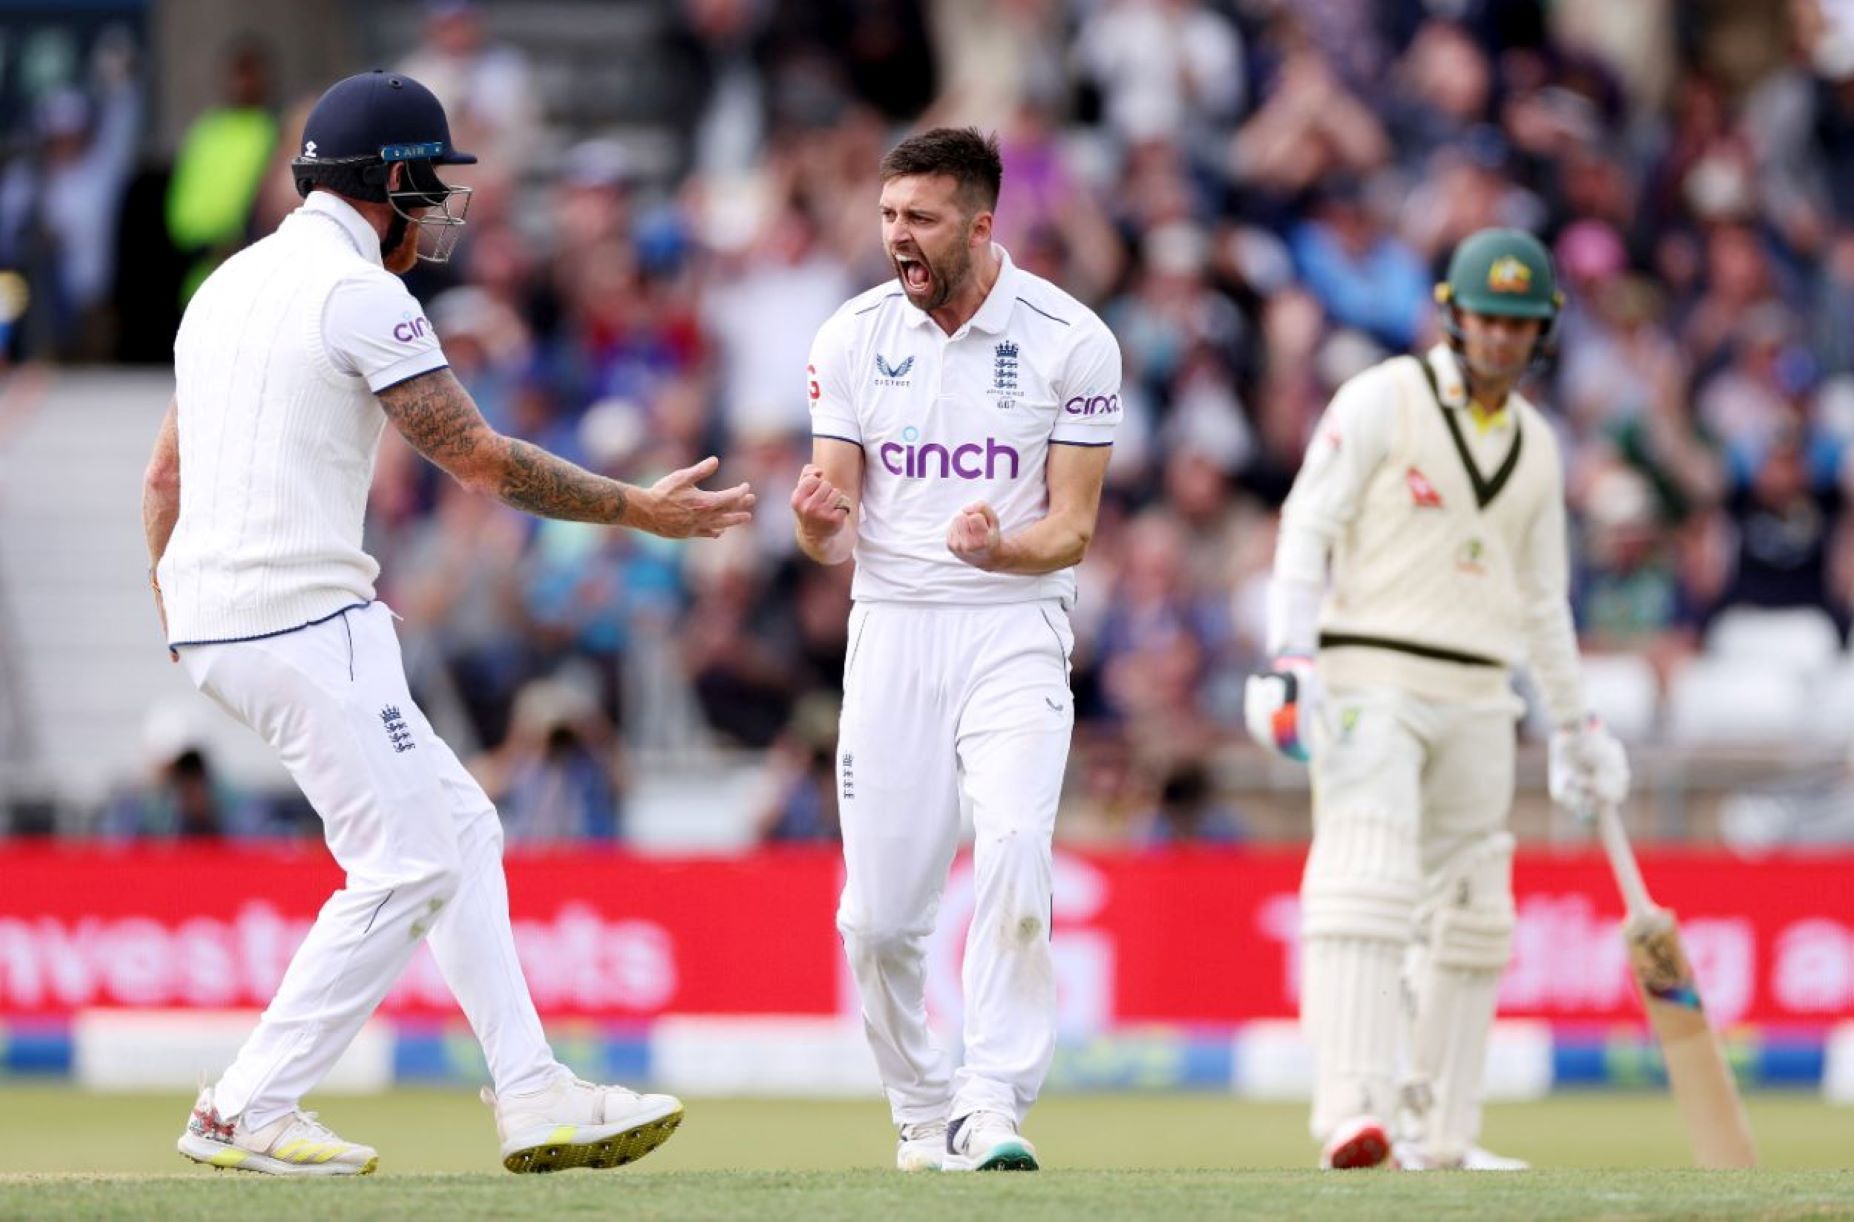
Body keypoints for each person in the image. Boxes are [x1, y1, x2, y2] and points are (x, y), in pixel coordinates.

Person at [143, 70, 753, 1177]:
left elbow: (163, 476)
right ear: (389, 180)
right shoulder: (363, 294)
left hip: (225, 624)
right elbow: (479, 460)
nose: (441, 207)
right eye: (430, 182)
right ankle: (246, 1104)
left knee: (460, 829)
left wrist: (180, 611)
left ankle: (530, 1090)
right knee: (409, 861)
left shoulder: (225, 287)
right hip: (304, 619)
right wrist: (640, 510)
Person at [1244, 229, 1629, 1171]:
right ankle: (1352, 1111)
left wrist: (1578, 728)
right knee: (1367, 882)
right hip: (1370, 673)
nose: (1500, 339)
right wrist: (1289, 656)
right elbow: (1307, 524)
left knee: (1472, 911)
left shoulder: (1538, 445)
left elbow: (1543, 604)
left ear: (1542, 332)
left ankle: (1440, 1131)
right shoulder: (1383, 398)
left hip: (1481, 693)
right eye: (1487, 320)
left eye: (1519, 324)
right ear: (1454, 316)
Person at [790, 127, 1121, 1173]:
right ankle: (923, 1107)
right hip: (890, 629)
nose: (898, 237)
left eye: (921, 218)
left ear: (980, 226)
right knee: (877, 924)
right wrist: (811, 520)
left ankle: (992, 1100)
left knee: (1016, 846)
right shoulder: (849, 336)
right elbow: (831, 523)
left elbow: (1071, 529)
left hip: (1013, 623)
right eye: (889, 215)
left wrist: (998, 547)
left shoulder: (1072, 337)